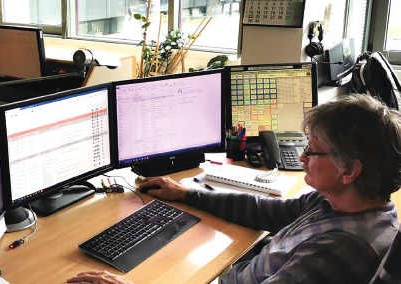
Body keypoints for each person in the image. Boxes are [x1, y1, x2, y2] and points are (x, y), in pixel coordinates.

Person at [67, 95, 401, 284]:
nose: (301, 157)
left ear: (348, 170)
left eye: (312, 150)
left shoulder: (339, 251)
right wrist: (186, 194)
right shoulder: (344, 202)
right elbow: (264, 211)